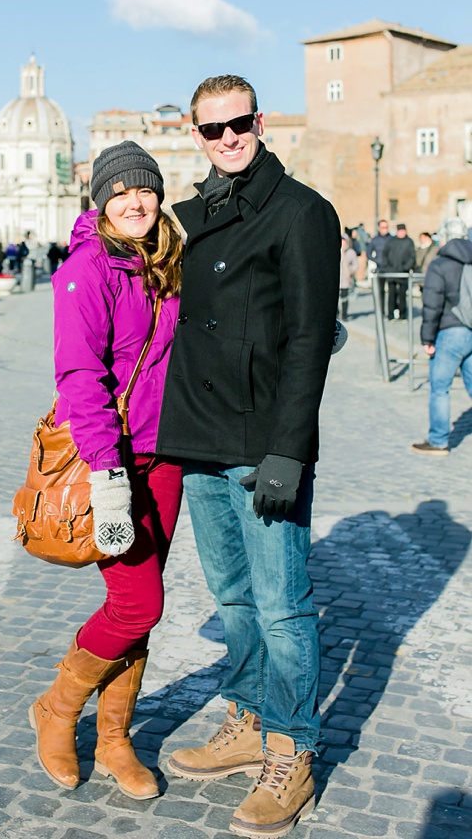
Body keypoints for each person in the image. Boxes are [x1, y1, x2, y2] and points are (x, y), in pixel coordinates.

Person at [157, 75, 338, 839]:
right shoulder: (190, 217)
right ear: (195, 135)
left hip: (261, 444)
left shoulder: (302, 214)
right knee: (232, 600)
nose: (227, 137)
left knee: (283, 605)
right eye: (211, 129)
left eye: (238, 123)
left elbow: (309, 342)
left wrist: (287, 452)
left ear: (260, 122)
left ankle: (292, 752)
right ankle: (247, 720)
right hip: (197, 439)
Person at [31, 141, 182, 802]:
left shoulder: (175, 262)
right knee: (138, 601)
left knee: (137, 607)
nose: (134, 200)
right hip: (112, 461)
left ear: (158, 194)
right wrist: (107, 476)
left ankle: (116, 737)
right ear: (101, 201)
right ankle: (58, 709)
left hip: (170, 455)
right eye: (119, 192)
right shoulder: (85, 271)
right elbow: (80, 377)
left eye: (144, 189)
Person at [411, 231, 472, 455]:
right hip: (471, 329)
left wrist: (427, 338)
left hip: (450, 331)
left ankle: (438, 441)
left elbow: (432, 305)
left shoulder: (440, 264)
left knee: (440, 389)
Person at [384, 223, 417, 319]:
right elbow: (385, 254)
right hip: (392, 272)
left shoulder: (409, 242)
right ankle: (391, 315)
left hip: (403, 273)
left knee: (402, 295)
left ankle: (403, 315)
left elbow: (412, 257)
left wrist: (406, 267)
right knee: (391, 295)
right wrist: (388, 267)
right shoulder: (391, 241)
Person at [339, 234, 358, 320]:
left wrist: (350, 271)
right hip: (337, 278)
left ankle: (344, 314)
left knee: (345, 297)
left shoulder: (351, 252)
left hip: (345, 278)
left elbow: (355, 264)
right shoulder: (335, 251)